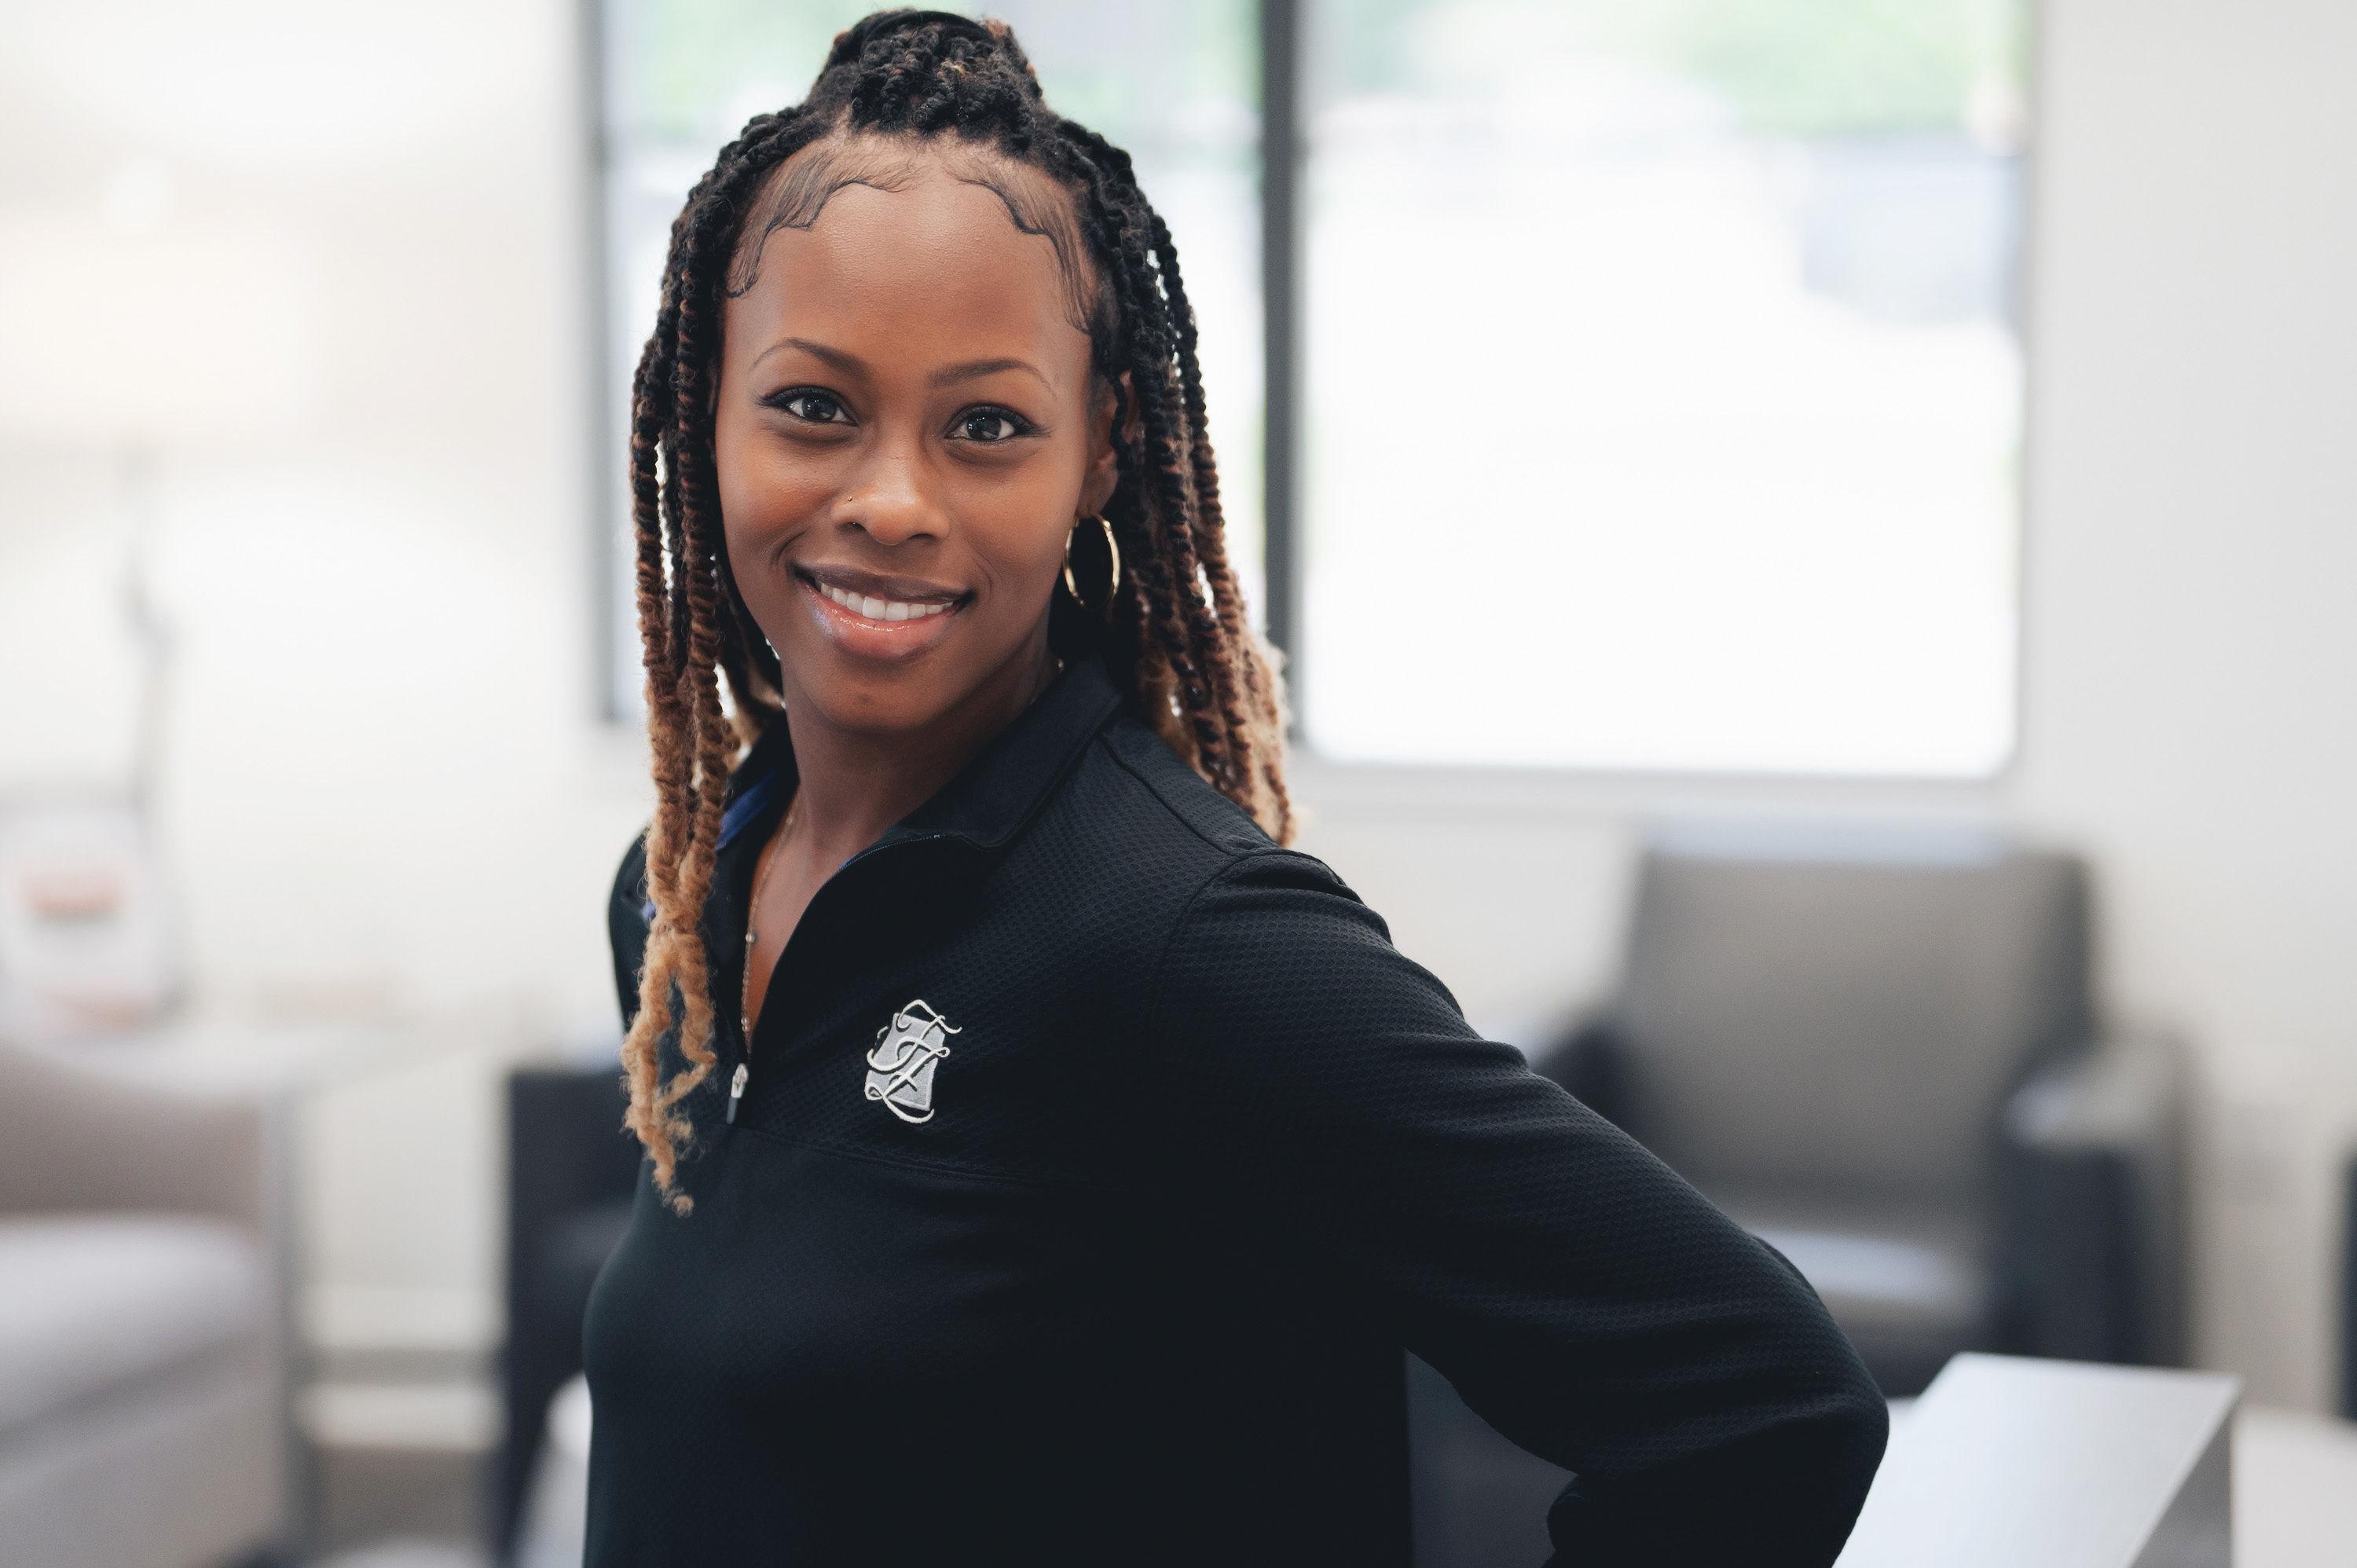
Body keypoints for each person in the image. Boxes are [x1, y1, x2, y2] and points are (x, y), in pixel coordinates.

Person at [584, 11, 1886, 1565]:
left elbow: (1762, 1404)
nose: (892, 500)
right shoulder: (680, 888)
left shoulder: (1183, 938)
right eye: (813, 405)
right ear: (700, 413)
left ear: (1101, 454)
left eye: (988, 425)